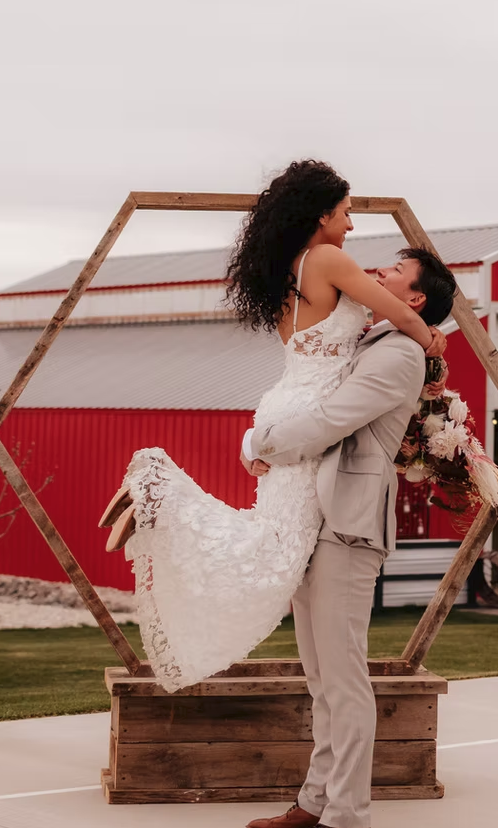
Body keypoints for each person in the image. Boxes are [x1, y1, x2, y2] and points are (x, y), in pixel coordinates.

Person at [99, 159, 451, 697]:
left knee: (279, 543)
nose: (351, 225)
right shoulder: (329, 258)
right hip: (307, 412)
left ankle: (166, 508)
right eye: (347, 213)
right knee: (278, 551)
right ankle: (164, 500)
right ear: (321, 214)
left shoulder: (290, 267)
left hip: (285, 402)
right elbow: (400, 314)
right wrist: (431, 339)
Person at [240, 236, 456, 828]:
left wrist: (264, 444)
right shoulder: (370, 338)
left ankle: (349, 821)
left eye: (395, 270)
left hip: (349, 526)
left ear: (415, 297)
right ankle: (315, 801)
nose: (377, 271)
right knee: (320, 678)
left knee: (344, 678)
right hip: (321, 518)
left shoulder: (398, 357)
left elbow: (334, 418)